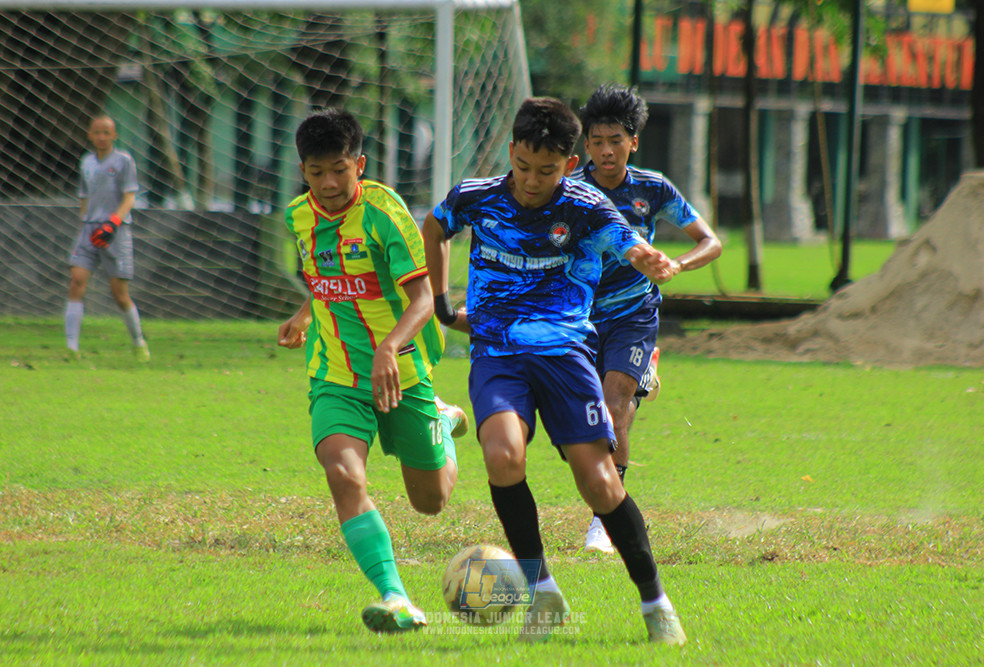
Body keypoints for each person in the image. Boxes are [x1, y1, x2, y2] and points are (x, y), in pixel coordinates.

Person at [422, 97, 687, 645]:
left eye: (546, 171)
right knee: (501, 455)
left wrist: (651, 260)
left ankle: (655, 600)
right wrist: (443, 306)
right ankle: (543, 594)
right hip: (497, 353)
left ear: (568, 164)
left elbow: (630, 244)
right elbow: (435, 226)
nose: (531, 180)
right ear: (511, 151)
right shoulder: (477, 197)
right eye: (522, 166)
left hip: (566, 355)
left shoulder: (586, 204)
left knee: (599, 481)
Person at [277, 108, 469, 634]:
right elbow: (326, 277)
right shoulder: (298, 216)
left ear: (359, 164)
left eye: (339, 169)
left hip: (401, 373)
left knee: (430, 502)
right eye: (316, 173)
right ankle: (395, 597)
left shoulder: (386, 213)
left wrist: (388, 347)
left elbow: (424, 298)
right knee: (343, 476)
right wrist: (301, 316)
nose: (329, 183)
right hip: (335, 375)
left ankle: (445, 422)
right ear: (303, 172)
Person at [573, 83, 722, 553]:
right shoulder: (571, 189)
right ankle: (644, 375)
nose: (605, 151)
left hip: (635, 314)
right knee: (585, 424)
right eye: (596, 142)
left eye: (615, 140)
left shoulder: (652, 188)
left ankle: (604, 521)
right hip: (579, 318)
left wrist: (677, 265)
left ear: (632, 142)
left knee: (615, 413)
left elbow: (710, 240)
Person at [65, 114, 149, 361]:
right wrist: (85, 220)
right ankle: (72, 348)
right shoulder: (86, 162)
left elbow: (130, 197)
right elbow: (84, 196)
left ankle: (138, 342)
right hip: (89, 229)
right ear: (90, 135)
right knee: (76, 282)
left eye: (106, 132)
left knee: (119, 294)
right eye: (97, 132)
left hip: (115, 230)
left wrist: (113, 223)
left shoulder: (124, 161)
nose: (101, 137)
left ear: (114, 136)